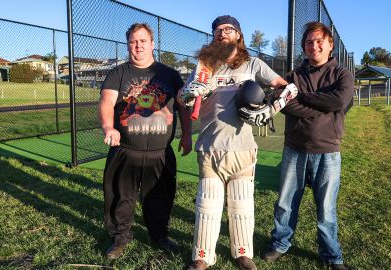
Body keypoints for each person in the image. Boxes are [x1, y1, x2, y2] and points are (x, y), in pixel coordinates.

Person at [179, 15, 292, 270]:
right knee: (207, 206)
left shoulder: (253, 64)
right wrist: (188, 94)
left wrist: (269, 110)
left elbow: (287, 88)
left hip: (242, 149)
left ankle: (243, 254)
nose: (222, 33)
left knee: (242, 206)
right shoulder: (204, 66)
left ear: (239, 35)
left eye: (228, 29)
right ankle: (202, 258)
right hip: (210, 147)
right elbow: (183, 98)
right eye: (217, 30)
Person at [262, 22, 354, 270]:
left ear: (330, 44)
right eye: (309, 42)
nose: (314, 45)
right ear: (304, 47)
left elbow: (339, 101)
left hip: (328, 151)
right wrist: (320, 106)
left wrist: (300, 97)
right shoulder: (293, 77)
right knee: (286, 203)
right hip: (295, 149)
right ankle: (280, 243)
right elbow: (286, 105)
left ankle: (332, 255)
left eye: (319, 40)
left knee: (326, 210)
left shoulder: (341, 75)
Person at [98, 23, 192, 260]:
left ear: (152, 44)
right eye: (133, 41)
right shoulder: (117, 73)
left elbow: (182, 106)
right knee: (121, 197)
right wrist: (108, 126)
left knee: (160, 197)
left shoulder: (169, 74)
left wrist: (188, 135)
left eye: (142, 41)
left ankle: (159, 235)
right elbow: (107, 102)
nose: (137, 45)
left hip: (160, 152)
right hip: (125, 150)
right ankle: (120, 237)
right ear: (128, 44)